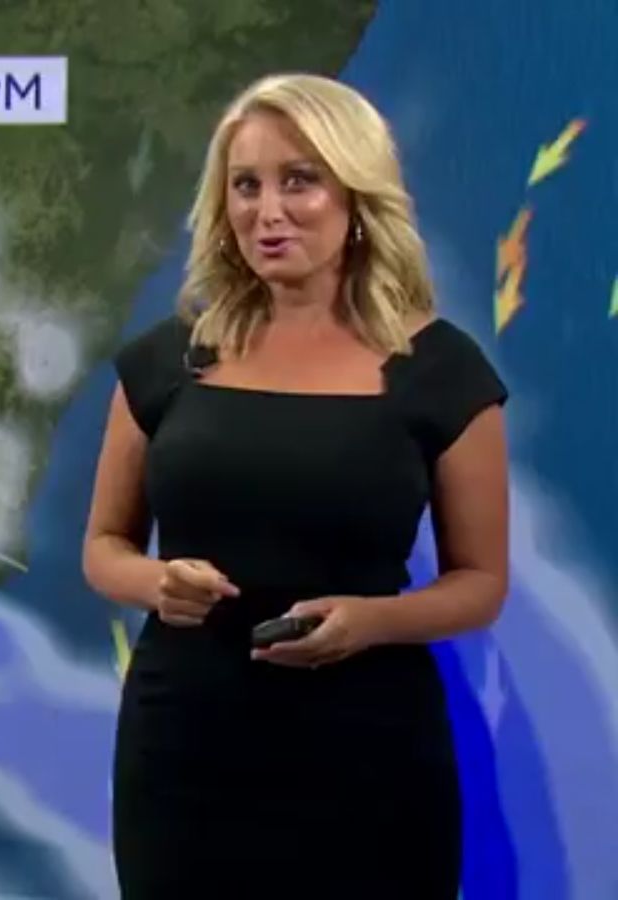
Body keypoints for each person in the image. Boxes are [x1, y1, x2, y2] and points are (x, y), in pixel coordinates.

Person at [82, 72, 509, 900]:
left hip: (369, 754)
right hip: (186, 752)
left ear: (357, 198)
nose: (267, 211)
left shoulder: (440, 372)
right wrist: (156, 583)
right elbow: (104, 546)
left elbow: (481, 582)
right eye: (246, 185)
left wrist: (370, 621)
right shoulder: (169, 361)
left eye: (299, 182)